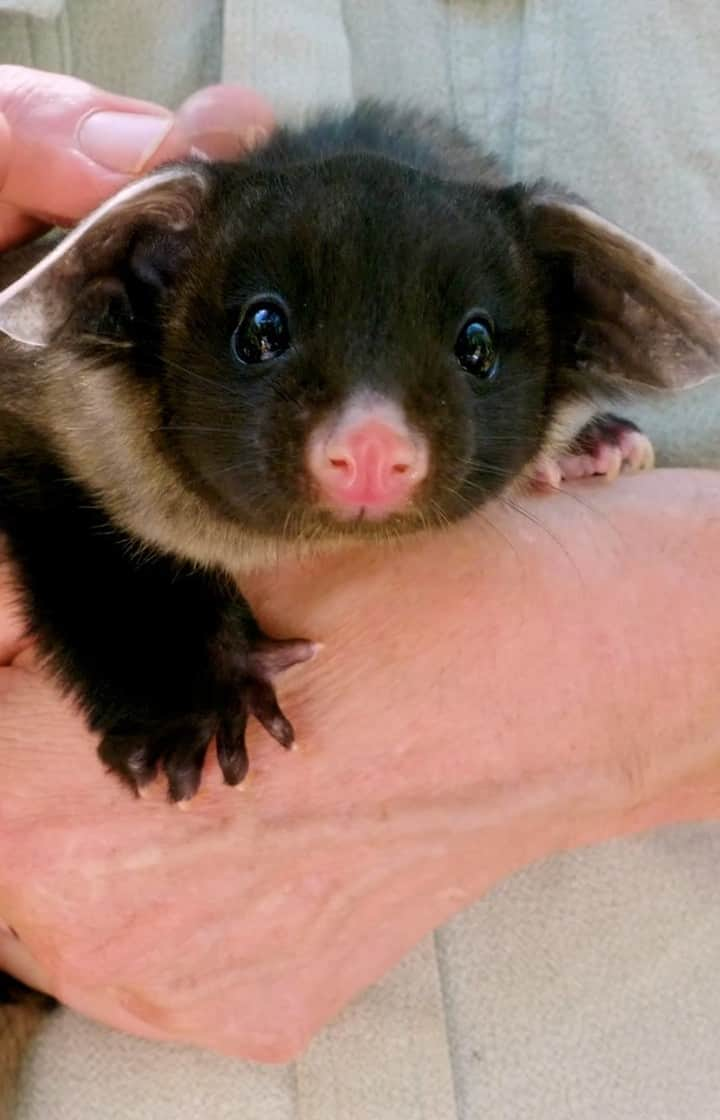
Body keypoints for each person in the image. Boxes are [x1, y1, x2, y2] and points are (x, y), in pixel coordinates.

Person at [1, 4, 720, 1116]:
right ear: (137, 285)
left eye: (473, 349)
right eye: (262, 339)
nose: (373, 449)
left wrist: (632, 655)